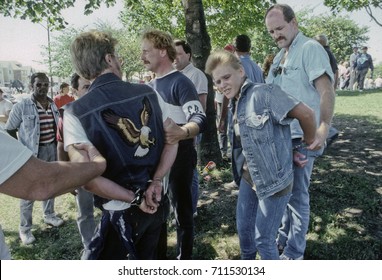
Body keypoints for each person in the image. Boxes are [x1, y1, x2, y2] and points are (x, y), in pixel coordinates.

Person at [65, 30, 178, 260]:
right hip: (154, 202)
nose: (120, 60)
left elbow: (87, 179)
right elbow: (172, 139)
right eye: (116, 55)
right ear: (108, 59)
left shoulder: (74, 112)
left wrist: (136, 197)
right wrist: (156, 181)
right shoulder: (149, 92)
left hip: (123, 211)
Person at [205, 50, 316, 259]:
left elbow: (306, 114)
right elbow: (262, 137)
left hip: (275, 181)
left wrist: (306, 147)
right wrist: (286, 150)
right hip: (250, 176)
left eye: (226, 77)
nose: (222, 85)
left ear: (241, 71)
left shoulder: (264, 93)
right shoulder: (237, 102)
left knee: (264, 240)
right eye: (217, 81)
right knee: (245, 234)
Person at [265, 4, 335, 260]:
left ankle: (295, 254)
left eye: (280, 28)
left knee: (297, 198)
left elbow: (326, 90)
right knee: (284, 195)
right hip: (280, 139)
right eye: (271, 32)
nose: (276, 35)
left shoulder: (310, 49)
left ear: (294, 22)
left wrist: (323, 126)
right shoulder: (279, 57)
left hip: (303, 138)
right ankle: (283, 239)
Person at [141, 29, 206, 259]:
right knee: (156, 209)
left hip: (181, 154)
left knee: (182, 211)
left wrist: (181, 132)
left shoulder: (181, 82)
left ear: (161, 51)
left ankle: (184, 261)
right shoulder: (149, 86)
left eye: (146, 51)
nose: (142, 56)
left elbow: (199, 118)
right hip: (155, 156)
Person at [0, 128, 106, 259]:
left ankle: (49, 214)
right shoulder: (66, 115)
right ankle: (25, 228)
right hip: (35, 153)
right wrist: (99, 164)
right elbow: (42, 184)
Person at [5, 72, 65, 245]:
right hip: (31, 155)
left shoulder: (53, 105)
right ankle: (24, 229)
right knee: (28, 192)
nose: (42, 88)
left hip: (51, 151)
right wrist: (21, 150)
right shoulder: (22, 106)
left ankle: (49, 215)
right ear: (32, 85)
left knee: (50, 185)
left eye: (45, 84)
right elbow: (9, 129)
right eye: (39, 84)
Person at [56, 73, 94, 259]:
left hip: (107, 170)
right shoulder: (68, 113)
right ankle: (89, 246)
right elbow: (61, 143)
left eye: (92, 85)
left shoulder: (103, 106)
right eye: (86, 87)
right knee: (85, 212)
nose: (91, 90)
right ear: (75, 90)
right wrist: (65, 174)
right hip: (81, 173)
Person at [174, 39, 208, 217]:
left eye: (179, 53)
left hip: (190, 130)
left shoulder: (196, 75)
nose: (175, 57)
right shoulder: (171, 75)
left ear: (188, 54)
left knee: (190, 170)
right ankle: (181, 206)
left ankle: (191, 208)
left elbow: (201, 107)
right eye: (173, 54)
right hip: (176, 132)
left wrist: (194, 131)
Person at [314, 34, 339, 145]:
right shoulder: (327, 53)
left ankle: (329, 133)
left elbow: (335, 72)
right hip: (325, 88)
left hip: (323, 89)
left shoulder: (323, 53)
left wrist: (331, 89)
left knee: (320, 113)